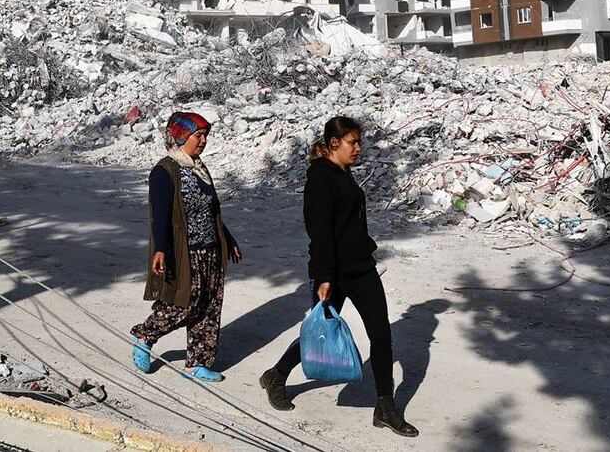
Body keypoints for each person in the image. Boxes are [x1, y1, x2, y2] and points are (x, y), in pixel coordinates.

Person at [259, 116, 419, 437]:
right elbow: (320, 234)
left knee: (381, 336)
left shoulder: (344, 174)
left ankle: (385, 407)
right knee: (321, 332)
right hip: (333, 272)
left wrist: (367, 253)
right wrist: (324, 277)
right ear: (334, 143)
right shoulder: (320, 179)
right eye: (353, 143)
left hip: (362, 268)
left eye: (360, 142)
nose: (359, 148)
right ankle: (277, 375)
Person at [130, 111, 242, 382]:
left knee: (209, 306)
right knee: (185, 303)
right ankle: (145, 334)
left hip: (211, 249)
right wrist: (161, 250)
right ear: (181, 136)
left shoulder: (200, 168)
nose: (203, 141)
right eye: (198, 135)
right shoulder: (165, 171)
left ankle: (197, 363)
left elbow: (211, 210)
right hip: (185, 251)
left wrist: (227, 239)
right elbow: (161, 214)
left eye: (205, 136)